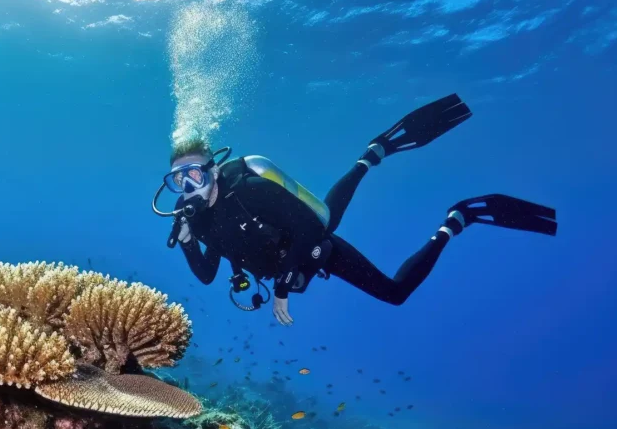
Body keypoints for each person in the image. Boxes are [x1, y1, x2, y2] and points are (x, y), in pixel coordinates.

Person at [152, 94, 557, 325]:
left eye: (193, 175)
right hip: (286, 262)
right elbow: (207, 275)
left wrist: (280, 291)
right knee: (329, 210)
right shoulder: (195, 219)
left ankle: (457, 218)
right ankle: (370, 156)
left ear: (213, 172)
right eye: (178, 180)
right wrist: (189, 242)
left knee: (389, 288)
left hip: (311, 246)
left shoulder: (253, 191)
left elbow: (311, 232)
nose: (187, 187)